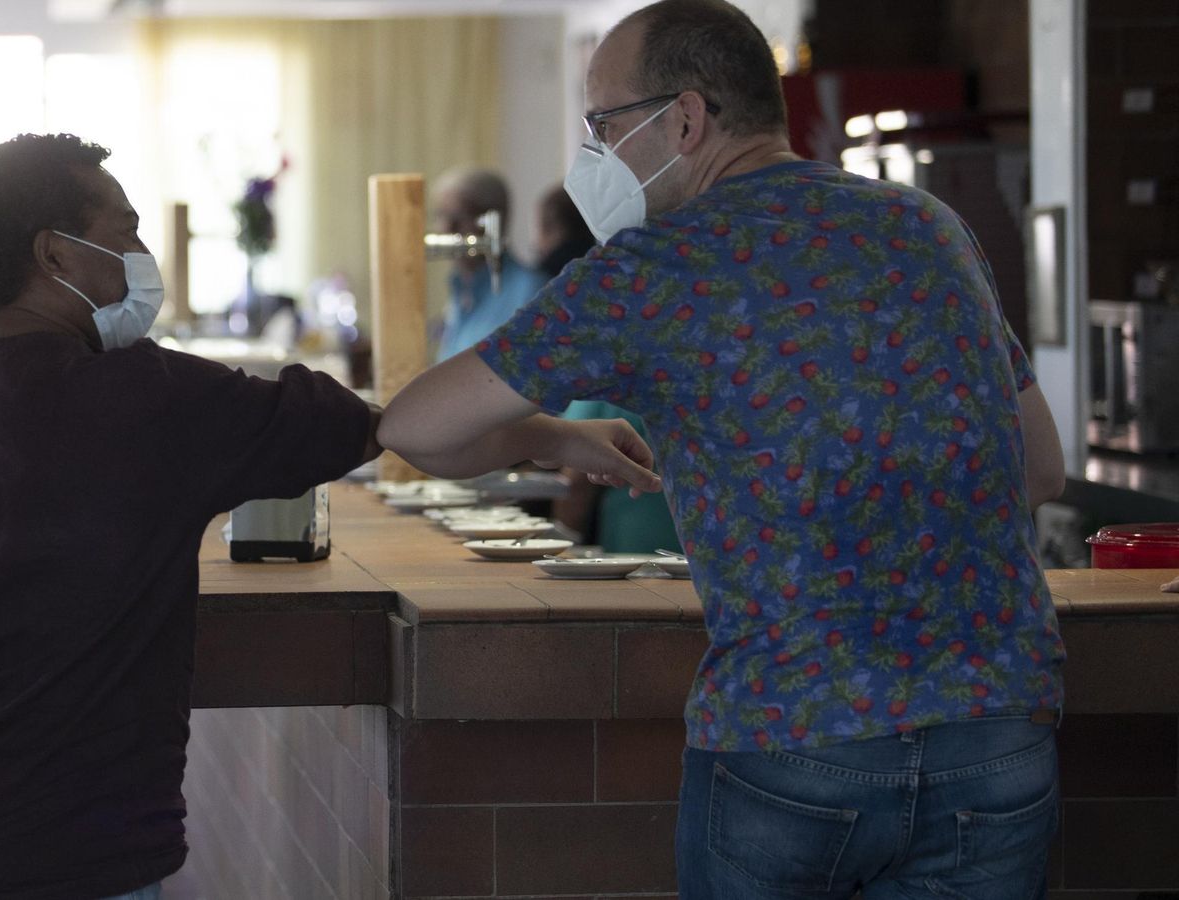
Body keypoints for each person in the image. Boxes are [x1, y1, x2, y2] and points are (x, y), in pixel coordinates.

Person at [0, 133, 656, 900]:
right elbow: (399, 428)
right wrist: (547, 434)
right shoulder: (147, 401)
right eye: (124, 235)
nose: (141, 256)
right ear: (56, 255)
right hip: (71, 848)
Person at [379, 1, 1068, 896]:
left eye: (603, 125)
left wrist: (552, 436)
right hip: (1000, 734)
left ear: (687, 119)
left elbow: (411, 427)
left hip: (792, 739)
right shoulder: (929, 226)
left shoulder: (654, 268)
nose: (594, 153)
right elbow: (1040, 469)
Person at [533, 185, 682, 553]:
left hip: (637, 558)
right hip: (714, 561)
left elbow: (576, 481)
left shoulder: (619, 343)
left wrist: (557, 553)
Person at [432, 167, 549, 362]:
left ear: (496, 220)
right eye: (440, 215)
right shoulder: (459, 290)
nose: (446, 228)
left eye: (459, 216)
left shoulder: (532, 291)